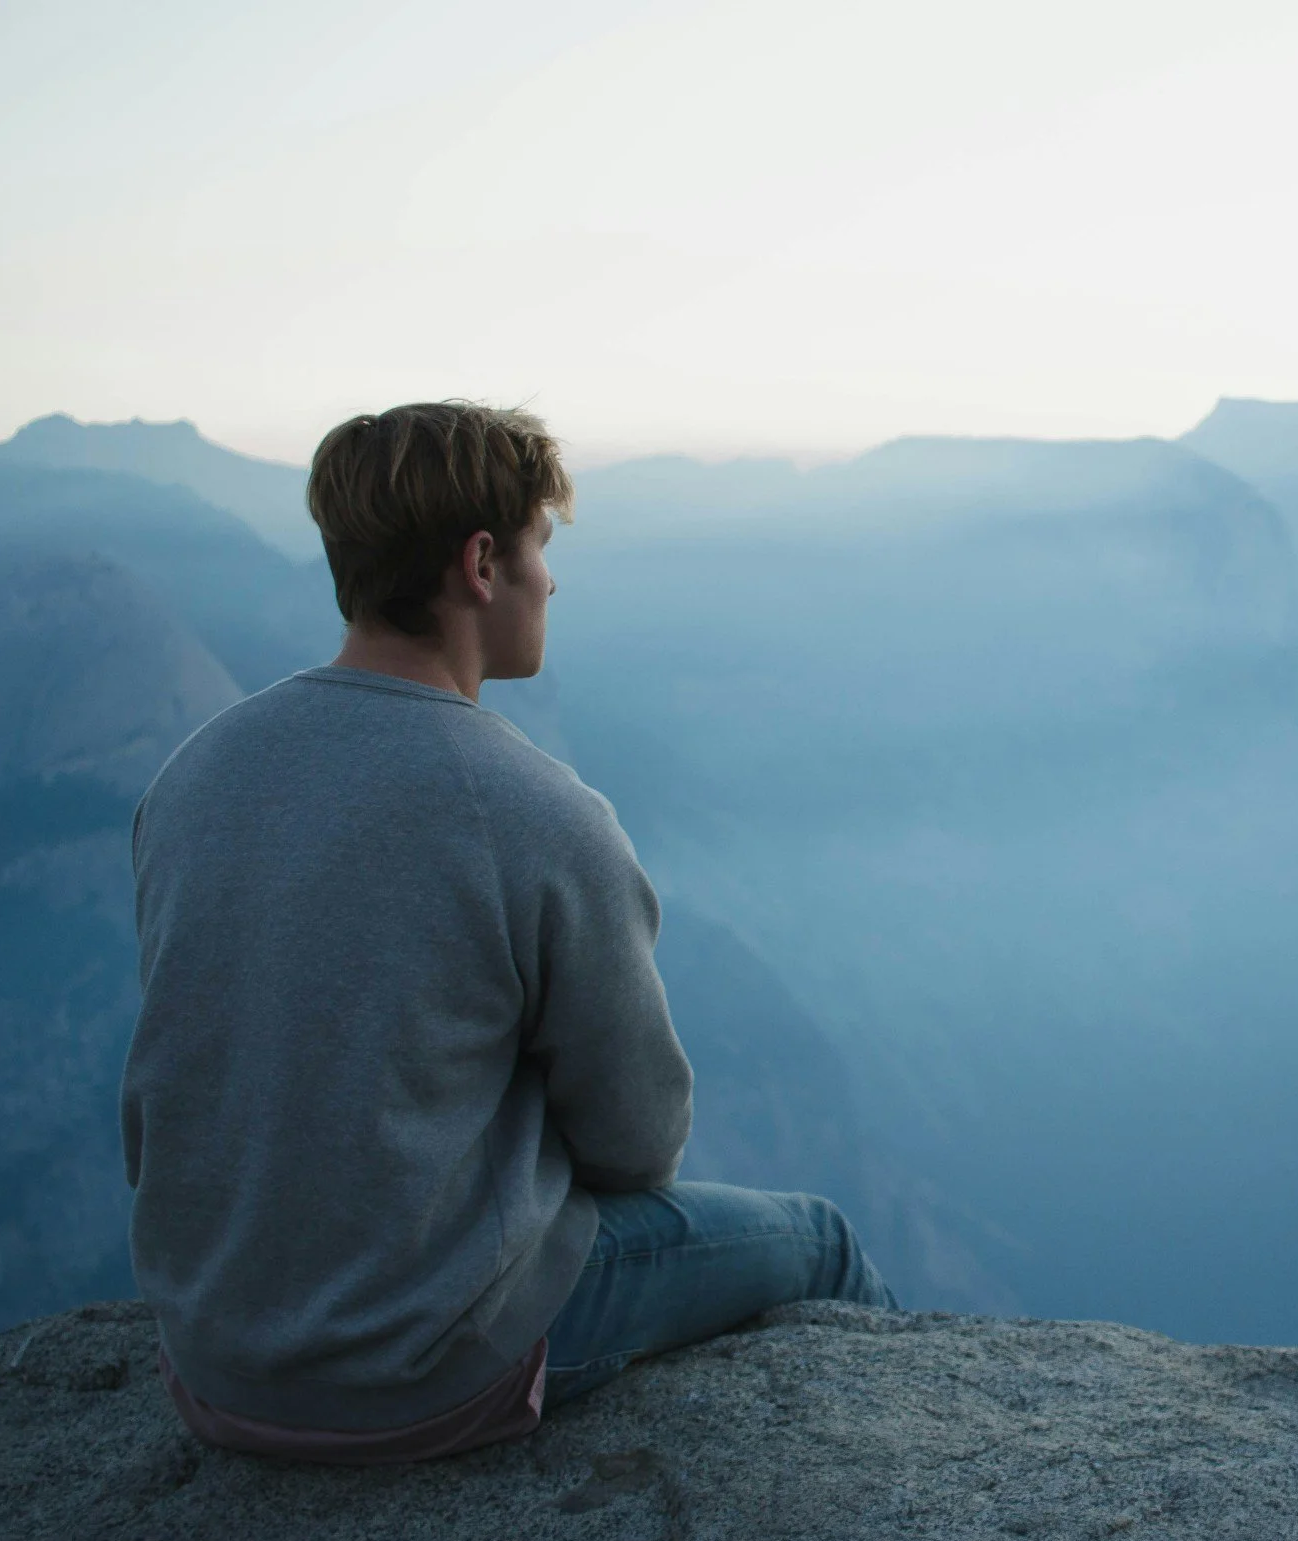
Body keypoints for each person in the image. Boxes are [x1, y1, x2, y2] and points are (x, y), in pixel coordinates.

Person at [120, 400, 895, 1464]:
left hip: (210, 1367)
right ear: (482, 563)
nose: (551, 579)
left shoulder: (189, 778)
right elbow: (638, 1139)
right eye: (540, 543)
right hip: (424, 1375)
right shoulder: (535, 813)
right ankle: (925, 1498)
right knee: (823, 1239)